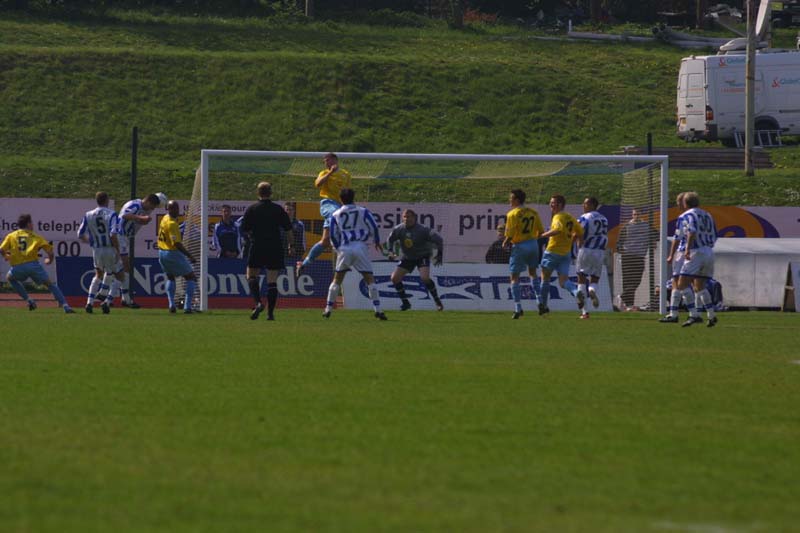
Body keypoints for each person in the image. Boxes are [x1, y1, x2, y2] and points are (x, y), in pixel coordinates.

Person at [323, 188, 387, 320]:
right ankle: (378, 310)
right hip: (360, 247)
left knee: (337, 279)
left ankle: (328, 309)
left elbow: (333, 234)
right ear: (353, 197)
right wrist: (376, 241)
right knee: (369, 278)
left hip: (345, 248)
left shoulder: (336, 214)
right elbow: (373, 226)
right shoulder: (363, 211)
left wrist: (337, 248)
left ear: (340, 199)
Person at [240, 182, 293, 321]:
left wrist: (251, 237)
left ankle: (258, 303)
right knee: (272, 281)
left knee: (251, 275)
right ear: (271, 193)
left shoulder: (252, 209)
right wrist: (291, 245)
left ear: (258, 193)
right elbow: (288, 229)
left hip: (257, 245)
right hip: (274, 247)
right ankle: (270, 313)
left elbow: (244, 229)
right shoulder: (278, 209)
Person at [0, 214, 74, 313]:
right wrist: (49, 260)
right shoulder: (36, 236)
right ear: (28, 224)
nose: (33, 225)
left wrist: (6, 256)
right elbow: (50, 252)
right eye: (31, 223)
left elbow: (1, 249)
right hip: (33, 266)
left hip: (18, 267)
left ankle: (29, 300)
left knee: (10, 278)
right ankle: (66, 306)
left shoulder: (11, 236)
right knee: (50, 284)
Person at [105, 192, 165, 308]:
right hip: (120, 236)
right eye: (152, 207)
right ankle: (112, 298)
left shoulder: (144, 208)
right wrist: (140, 218)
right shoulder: (135, 205)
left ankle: (120, 298)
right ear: (147, 202)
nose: (152, 210)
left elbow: (136, 220)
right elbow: (124, 216)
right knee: (124, 268)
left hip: (125, 238)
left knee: (119, 268)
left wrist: (143, 220)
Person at [296, 152, 351, 276]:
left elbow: (346, 192)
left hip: (339, 205)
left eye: (327, 160)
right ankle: (341, 251)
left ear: (335, 160)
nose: (325, 163)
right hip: (328, 204)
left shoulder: (345, 174)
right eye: (324, 161)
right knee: (336, 217)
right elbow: (318, 184)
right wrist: (330, 172)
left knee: (325, 241)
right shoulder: (324, 173)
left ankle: (303, 264)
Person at [77, 191, 129, 314]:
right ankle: (107, 302)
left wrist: (91, 242)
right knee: (120, 276)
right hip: (109, 249)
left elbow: (80, 234)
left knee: (98, 275)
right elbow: (112, 234)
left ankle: (89, 303)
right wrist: (118, 250)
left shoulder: (88, 214)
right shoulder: (111, 214)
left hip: (97, 250)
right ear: (107, 200)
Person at [672, 192, 718, 327]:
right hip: (709, 251)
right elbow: (715, 234)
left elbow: (691, 231)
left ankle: (694, 315)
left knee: (682, 284)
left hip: (694, 251)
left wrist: (687, 249)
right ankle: (711, 315)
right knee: (700, 286)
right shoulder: (708, 215)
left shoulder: (686, 215)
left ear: (685, 203)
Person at [385, 208, 445, 312]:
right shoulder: (399, 229)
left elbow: (439, 240)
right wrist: (390, 251)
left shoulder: (423, 229)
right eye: (405, 216)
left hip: (422, 256)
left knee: (425, 278)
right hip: (408, 257)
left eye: (409, 217)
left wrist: (439, 255)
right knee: (394, 278)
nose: (407, 219)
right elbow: (390, 240)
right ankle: (405, 303)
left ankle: (437, 301)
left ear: (414, 218)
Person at [538, 194, 584, 315]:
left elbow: (557, 230)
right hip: (565, 254)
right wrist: (577, 242)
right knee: (563, 282)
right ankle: (575, 292)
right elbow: (580, 231)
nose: (550, 205)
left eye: (553, 203)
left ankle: (543, 306)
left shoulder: (558, 217)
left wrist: (542, 235)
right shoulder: (570, 217)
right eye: (550, 202)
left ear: (559, 205)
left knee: (545, 278)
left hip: (552, 252)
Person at [502, 189, 544, 319]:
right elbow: (540, 231)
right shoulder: (533, 212)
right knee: (533, 273)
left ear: (517, 200)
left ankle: (518, 308)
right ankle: (540, 301)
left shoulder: (512, 214)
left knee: (514, 277)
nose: (510, 200)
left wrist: (505, 242)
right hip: (533, 245)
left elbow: (510, 233)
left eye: (511, 198)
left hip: (520, 246)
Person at [659, 192, 698, 323]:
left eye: (678, 202)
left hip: (683, 252)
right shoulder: (699, 215)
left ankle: (691, 313)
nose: (677, 205)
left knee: (680, 282)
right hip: (696, 252)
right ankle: (675, 313)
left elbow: (677, 238)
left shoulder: (684, 217)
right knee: (678, 283)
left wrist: (671, 255)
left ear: (684, 203)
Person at [157, 200, 197, 314]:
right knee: (191, 277)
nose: (176, 211)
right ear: (168, 209)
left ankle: (171, 305)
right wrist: (189, 256)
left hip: (161, 252)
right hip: (171, 253)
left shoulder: (164, 218)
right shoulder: (172, 224)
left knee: (170, 277)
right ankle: (187, 307)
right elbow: (177, 244)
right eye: (173, 208)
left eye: (177, 208)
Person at [616, 208, 656, 311]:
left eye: (637, 214)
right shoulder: (627, 226)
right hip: (627, 256)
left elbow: (657, 235)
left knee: (636, 280)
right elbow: (619, 242)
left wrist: (652, 242)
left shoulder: (646, 226)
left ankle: (622, 297)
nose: (635, 216)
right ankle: (628, 304)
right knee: (627, 281)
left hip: (639, 256)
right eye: (634, 214)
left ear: (641, 214)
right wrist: (621, 250)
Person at [575, 196, 608, 319]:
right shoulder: (604, 218)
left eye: (586, 204)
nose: (584, 206)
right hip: (599, 251)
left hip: (586, 249)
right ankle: (592, 289)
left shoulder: (584, 217)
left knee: (581, 277)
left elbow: (578, 232)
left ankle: (585, 312)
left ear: (593, 205)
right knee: (595, 277)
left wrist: (576, 242)